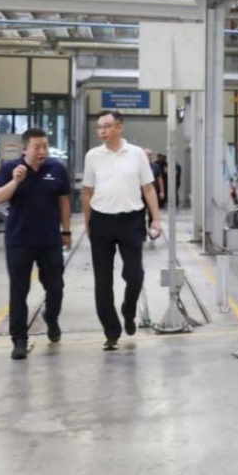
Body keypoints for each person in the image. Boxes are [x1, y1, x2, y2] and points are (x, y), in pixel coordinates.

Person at [82, 111, 162, 351]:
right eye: (99, 127)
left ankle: (128, 308)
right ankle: (111, 331)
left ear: (119, 127)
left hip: (131, 221)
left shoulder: (136, 154)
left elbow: (148, 188)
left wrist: (156, 219)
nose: (102, 131)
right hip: (101, 221)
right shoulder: (93, 156)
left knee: (135, 275)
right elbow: (87, 191)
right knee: (102, 280)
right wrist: (88, 222)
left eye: (107, 126)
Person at [0, 128, 72, 360]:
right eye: (37, 147)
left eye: (45, 146)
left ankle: (51, 317)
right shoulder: (11, 169)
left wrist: (66, 230)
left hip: (50, 240)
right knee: (19, 291)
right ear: (24, 149)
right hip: (19, 241)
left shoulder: (57, 169)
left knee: (56, 288)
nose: (42, 151)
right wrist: (15, 181)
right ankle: (19, 339)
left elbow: (64, 201)